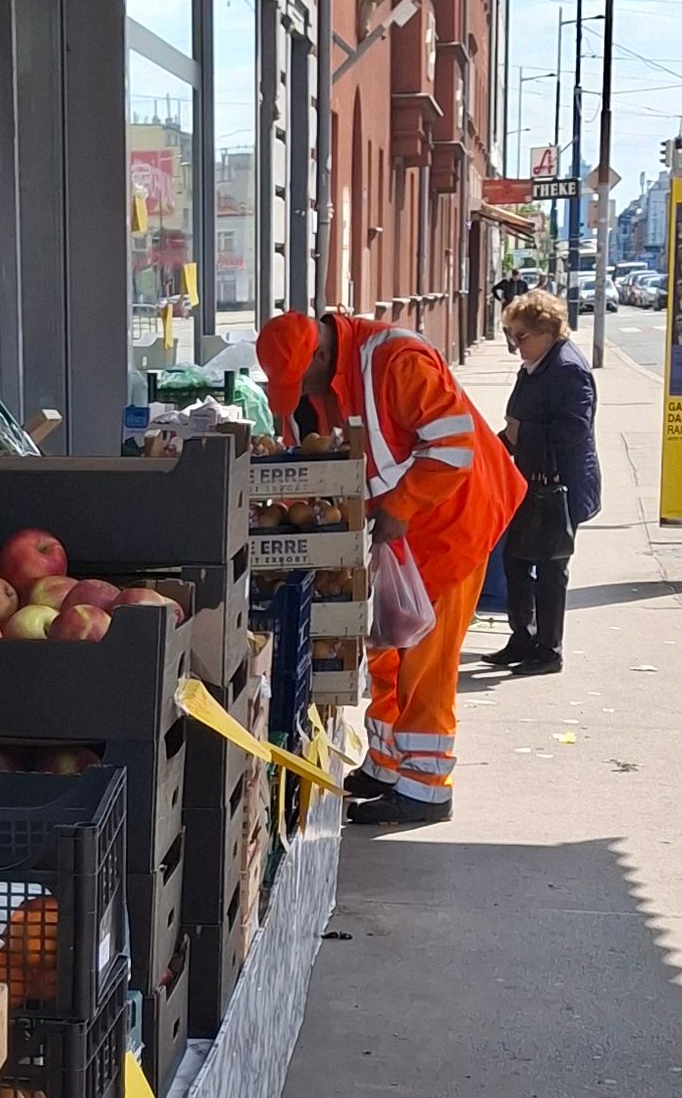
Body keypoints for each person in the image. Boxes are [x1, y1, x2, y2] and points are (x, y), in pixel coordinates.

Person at [256, 308, 522, 826]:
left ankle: (425, 789)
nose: (306, 397)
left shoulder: (396, 360)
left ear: (322, 354)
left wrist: (399, 507)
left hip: (451, 522)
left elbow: (453, 445)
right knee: (387, 651)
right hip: (405, 531)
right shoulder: (335, 375)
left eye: (304, 383)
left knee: (426, 659)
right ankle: (385, 764)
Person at [491, 290, 599, 672]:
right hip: (530, 482)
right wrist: (494, 447)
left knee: (551, 568)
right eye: (511, 336)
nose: (514, 345)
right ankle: (523, 637)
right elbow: (516, 423)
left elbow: (574, 430)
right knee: (516, 560)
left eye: (521, 337)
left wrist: (524, 436)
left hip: (560, 487)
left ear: (548, 331)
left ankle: (548, 650)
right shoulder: (535, 365)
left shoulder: (568, 369)